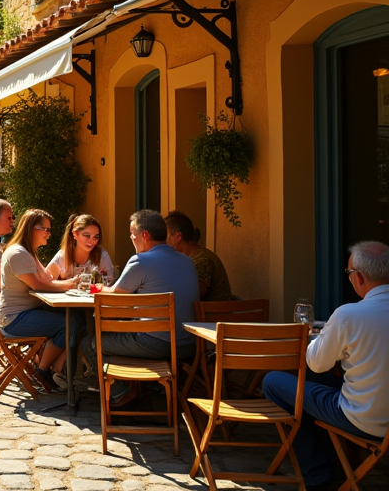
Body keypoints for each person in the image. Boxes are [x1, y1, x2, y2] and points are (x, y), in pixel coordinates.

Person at [263, 241, 389, 490]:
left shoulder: (348, 315)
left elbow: (316, 363)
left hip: (364, 419)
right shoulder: (351, 315)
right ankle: (341, 462)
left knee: (274, 382)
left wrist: (319, 337)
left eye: (349, 273)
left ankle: (316, 474)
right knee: (322, 384)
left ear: (359, 277)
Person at [80, 209, 200, 405]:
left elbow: (114, 297)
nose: (131, 239)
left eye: (132, 235)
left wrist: (100, 287)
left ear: (145, 235)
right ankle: (146, 390)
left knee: (89, 342)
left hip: (157, 345)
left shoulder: (141, 261)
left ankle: (123, 393)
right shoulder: (187, 261)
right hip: (188, 345)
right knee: (131, 333)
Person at [0, 208, 80, 392]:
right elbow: (38, 285)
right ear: (33, 228)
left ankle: (53, 368)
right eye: (46, 229)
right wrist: (70, 285)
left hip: (26, 312)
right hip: (15, 318)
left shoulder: (28, 252)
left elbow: (47, 279)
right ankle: (44, 370)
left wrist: (68, 281)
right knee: (69, 324)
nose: (49, 235)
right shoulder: (18, 253)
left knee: (76, 318)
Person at [164, 210, 232, 302]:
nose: (163, 242)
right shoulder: (194, 257)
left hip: (214, 316)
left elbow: (194, 295)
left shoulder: (201, 260)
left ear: (178, 237)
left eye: (165, 236)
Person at [46, 213, 116, 284]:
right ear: (75, 234)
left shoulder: (102, 255)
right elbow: (47, 280)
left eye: (96, 237)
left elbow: (109, 282)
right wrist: (68, 283)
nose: (92, 240)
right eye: (87, 235)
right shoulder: (62, 256)